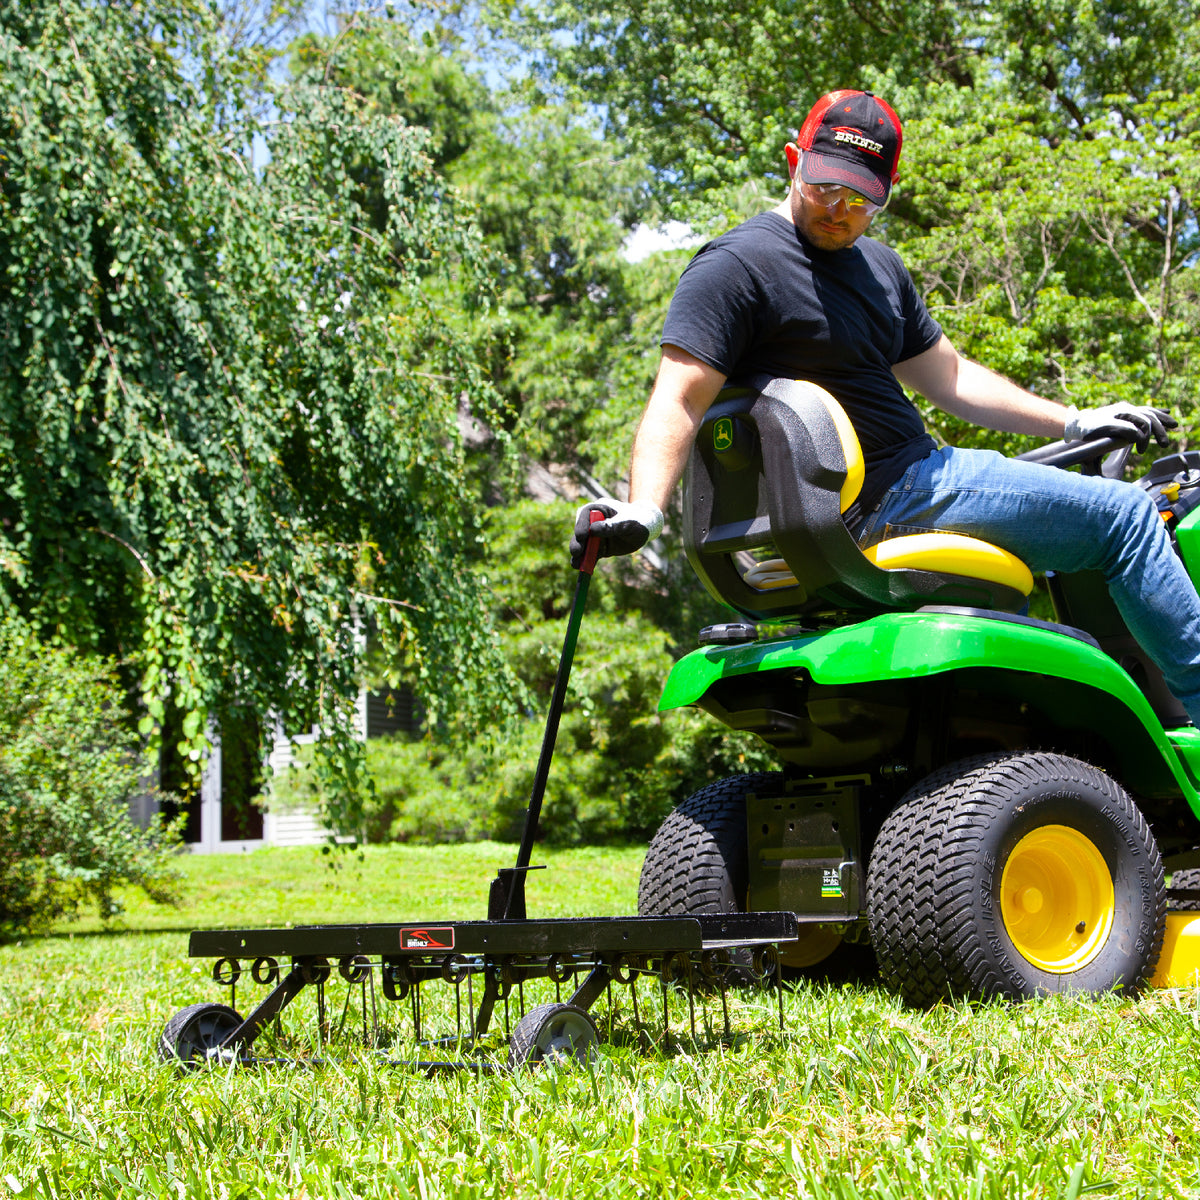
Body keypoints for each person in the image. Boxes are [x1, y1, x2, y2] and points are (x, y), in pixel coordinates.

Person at [571, 88, 1200, 724]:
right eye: (825, 188)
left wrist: (1074, 420)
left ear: (885, 193)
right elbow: (678, 397)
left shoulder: (878, 267)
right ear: (795, 160)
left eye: (861, 198)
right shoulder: (737, 266)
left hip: (919, 480)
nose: (840, 209)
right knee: (1127, 517)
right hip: (900, 492)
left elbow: (949, 378)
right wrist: (644, 509)